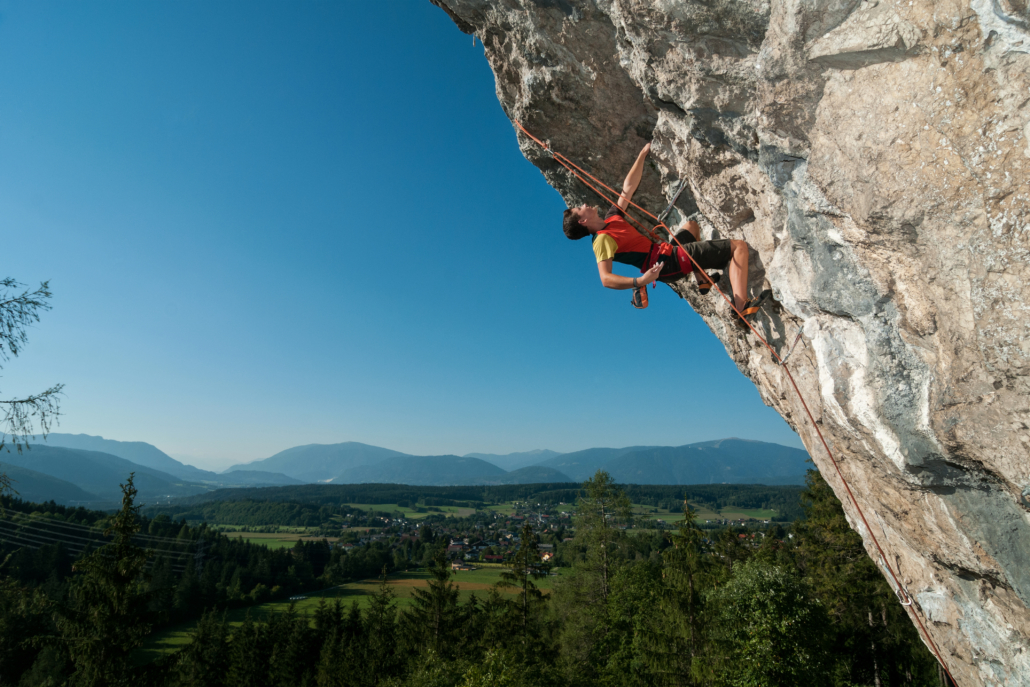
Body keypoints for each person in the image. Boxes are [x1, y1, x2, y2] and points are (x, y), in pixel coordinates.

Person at [561, 142, 769, 322]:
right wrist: (640, 281)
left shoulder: (612, 218)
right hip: (668, 263)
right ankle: (741, 309)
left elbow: (628, 188)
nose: (584, 204)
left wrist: (642, 155)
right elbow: (605, 279)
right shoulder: (602, 240)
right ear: (583, 221)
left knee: (692, 226)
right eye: (580, 208)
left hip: (665, 254)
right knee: (738, 247)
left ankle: (702, 279)